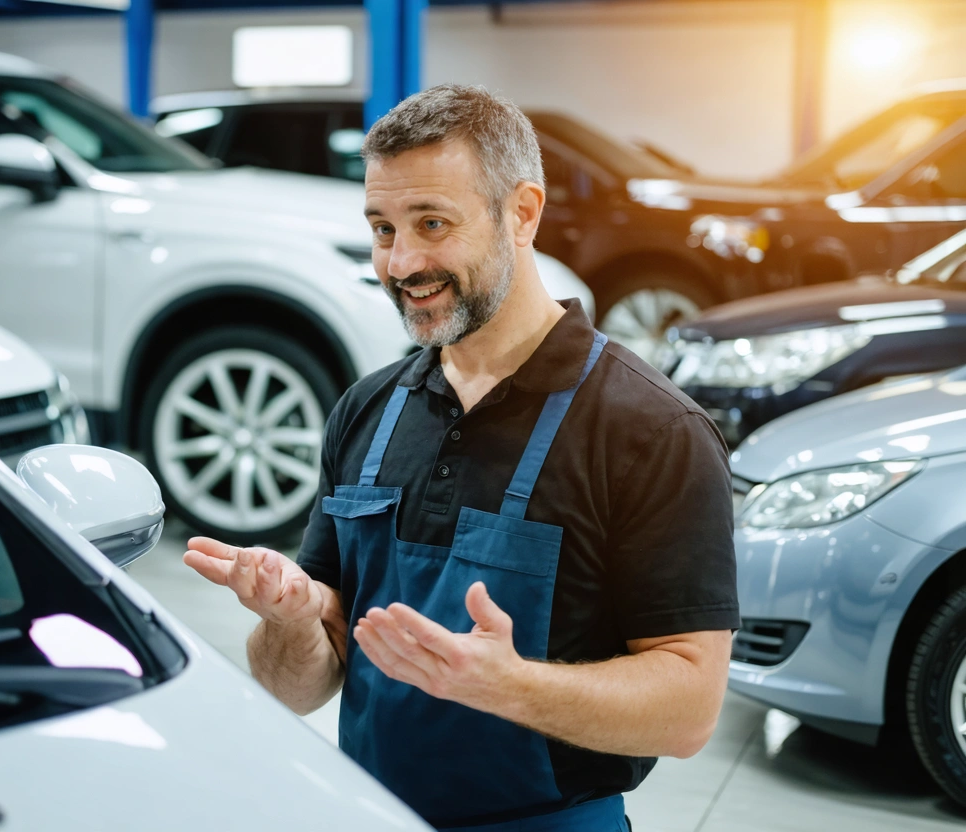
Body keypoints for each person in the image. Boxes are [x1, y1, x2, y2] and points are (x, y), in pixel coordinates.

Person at [183, 84, 738, 832]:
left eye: (432, 223)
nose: (401, 261)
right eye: (382, 228)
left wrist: (510, 686)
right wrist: (288, 620)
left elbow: (689, 709)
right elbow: (298, 689)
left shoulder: (652, 432)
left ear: (523, 213)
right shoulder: (368, 412)